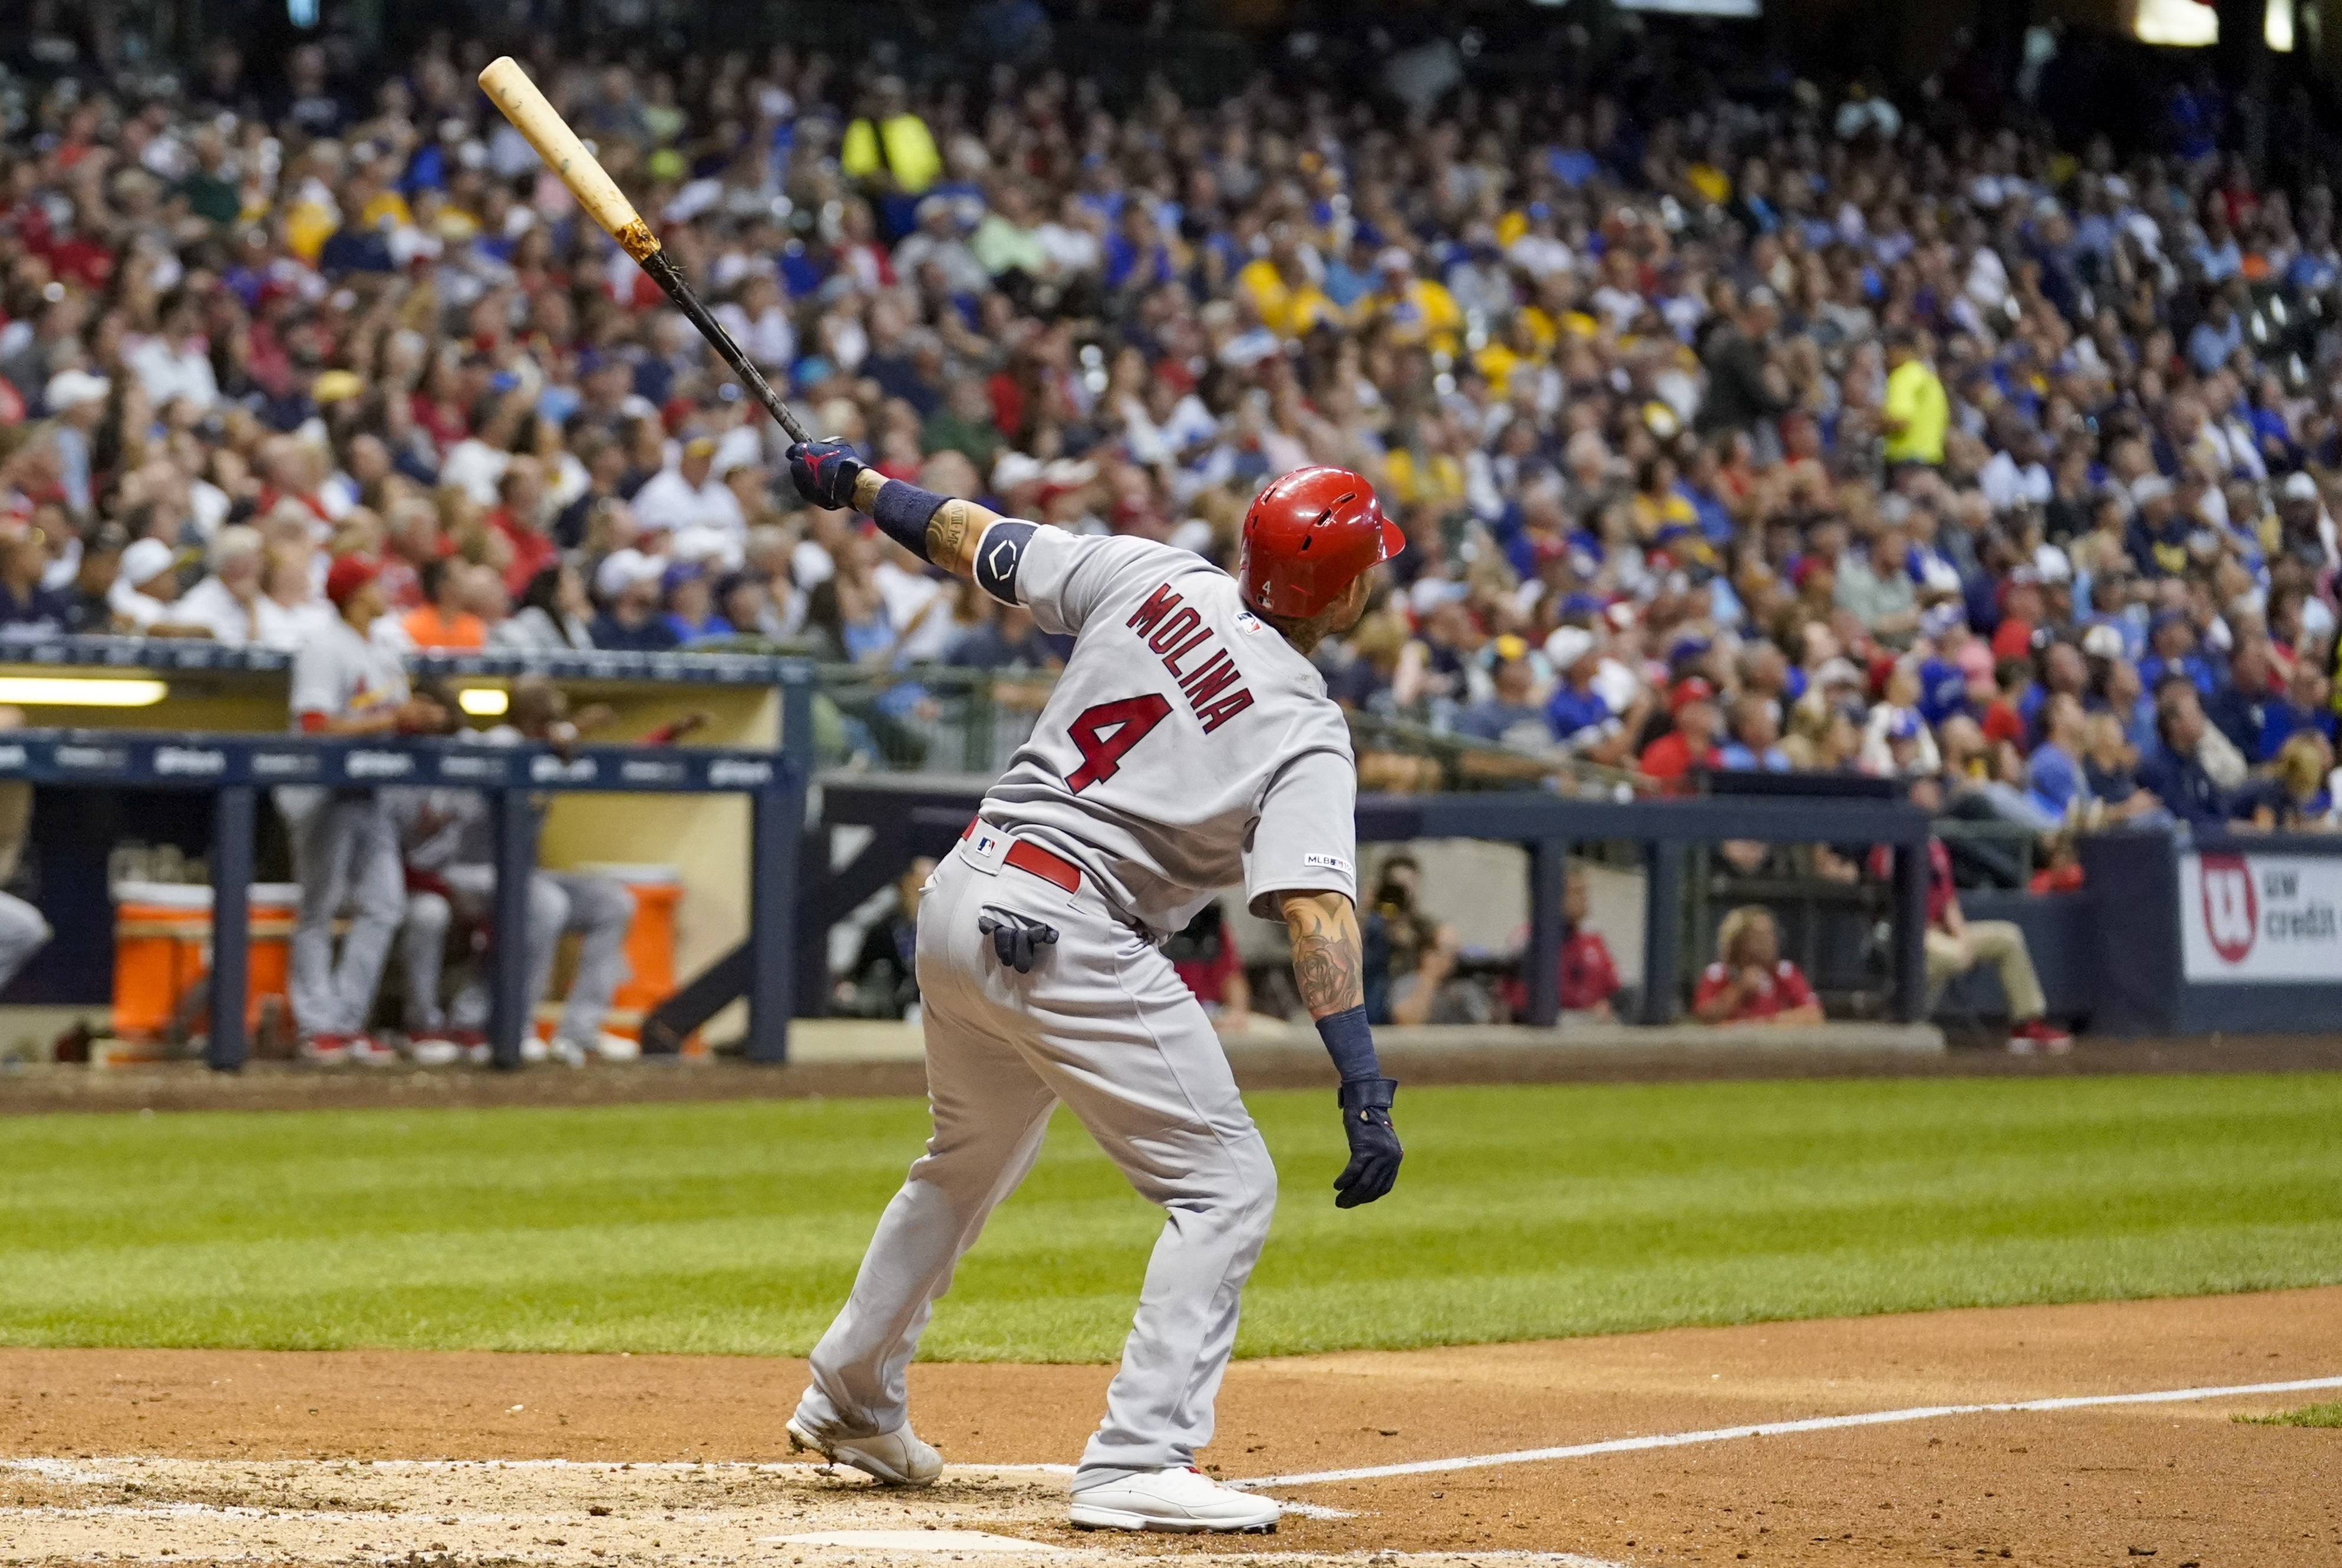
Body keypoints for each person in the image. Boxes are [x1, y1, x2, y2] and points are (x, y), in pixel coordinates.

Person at [780, 444, 1402, 1533]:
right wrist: (1359, 1075)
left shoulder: (1158, 575)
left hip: (961, 895)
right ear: (1343, 592)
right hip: (1066, 930)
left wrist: (859, 485)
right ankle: (1136, 1457)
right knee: (1225, 1187)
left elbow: (971, 538)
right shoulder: (1304, 722)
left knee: (961, 1162)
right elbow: (1313, 911)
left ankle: (849, 1395)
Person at [390, 678, 638, 1067]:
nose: (553, 712)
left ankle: (578, 1033)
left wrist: (665, 735)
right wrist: (572, 729)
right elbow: (509, 751)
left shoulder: (556, 748)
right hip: (462, 870)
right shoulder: (498, 741)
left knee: (612, 902)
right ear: (524, 713)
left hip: (515, 874)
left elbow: (619, 764)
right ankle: (510, 1025)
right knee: (543, 904)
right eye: (544, 707)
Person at [282, 556, 447, 1064]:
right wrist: (392, 717)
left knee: (384, 906)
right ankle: (317, 1027)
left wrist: (417, 717)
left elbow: (387, 719)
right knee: (318, 910)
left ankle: (347, 1021)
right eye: (375, 584)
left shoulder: (382, 651)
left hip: (371, 792)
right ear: (355, 595)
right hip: (322, 792)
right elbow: (314, 725)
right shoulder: (325, 649)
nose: (385, 590)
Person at [1876, 776, 2071, 1052]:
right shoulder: (1893, 841)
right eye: (1926, 789)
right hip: (1906, 932)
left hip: (1940, 932)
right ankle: (1907, 1013)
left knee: (2008, 937)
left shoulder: (1934, 841)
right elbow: (1884, 885)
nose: (1934, 794)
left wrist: (1962, 936)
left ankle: (2027, 1025)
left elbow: (1948, 899)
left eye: (1934, 789)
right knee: (1951, 953)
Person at [1692, 906, 1823, 1026]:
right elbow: (1703, 1017)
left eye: (1770, 935)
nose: (1768, 943)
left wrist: (1767, 1023)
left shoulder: (1785, 972)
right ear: (1738, 941)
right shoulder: (1717, 974)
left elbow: (1814, 1014)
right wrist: (1739, 989)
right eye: (1758, 937)